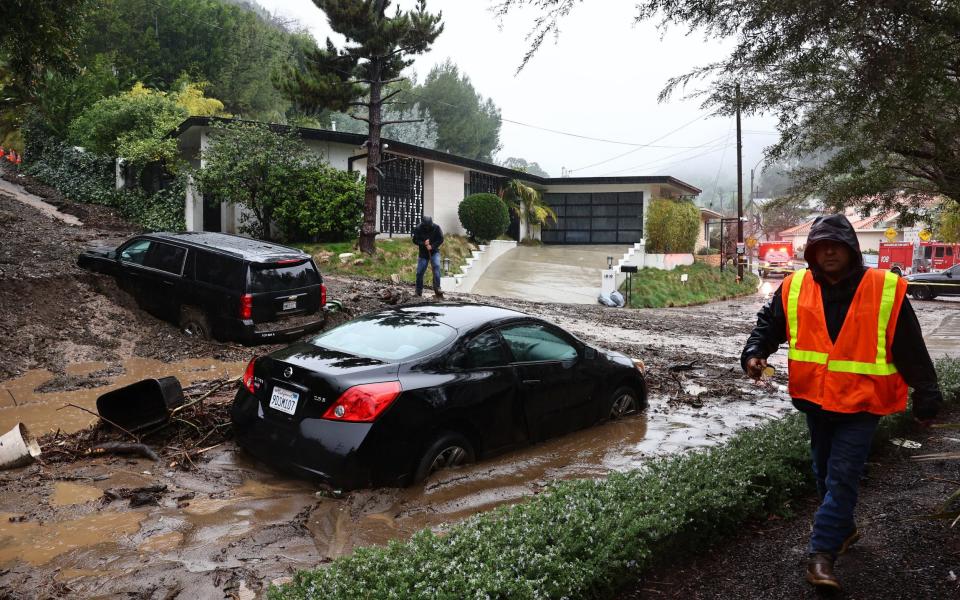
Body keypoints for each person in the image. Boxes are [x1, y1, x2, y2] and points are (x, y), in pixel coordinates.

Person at [741, 214, 941, 590]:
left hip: (863, 404)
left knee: (843, 476)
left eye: (836, 245)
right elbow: (768, 327)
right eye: (820, 246)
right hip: (815, 401)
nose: (828, 252)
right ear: (811, 253)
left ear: (851, 250)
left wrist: (927, 396)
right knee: (823, 474)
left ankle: (822, 555)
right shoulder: (794, 286)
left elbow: (911, 348)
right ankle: (844, 530)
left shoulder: (885, 288)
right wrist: (754, 353)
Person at [412, 215, 444, 298]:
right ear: (423, 224)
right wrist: (423, 243)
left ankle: (437, 288)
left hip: (434, 252)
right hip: (423, 253)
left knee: (436, 266)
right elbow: (415, 240)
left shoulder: (436, 228)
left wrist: (432, 246)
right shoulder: (418, 228)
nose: (427, 228)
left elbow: (441, 239)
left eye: (429, 226)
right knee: (419, 272)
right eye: (426, 226)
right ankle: (418, 291)